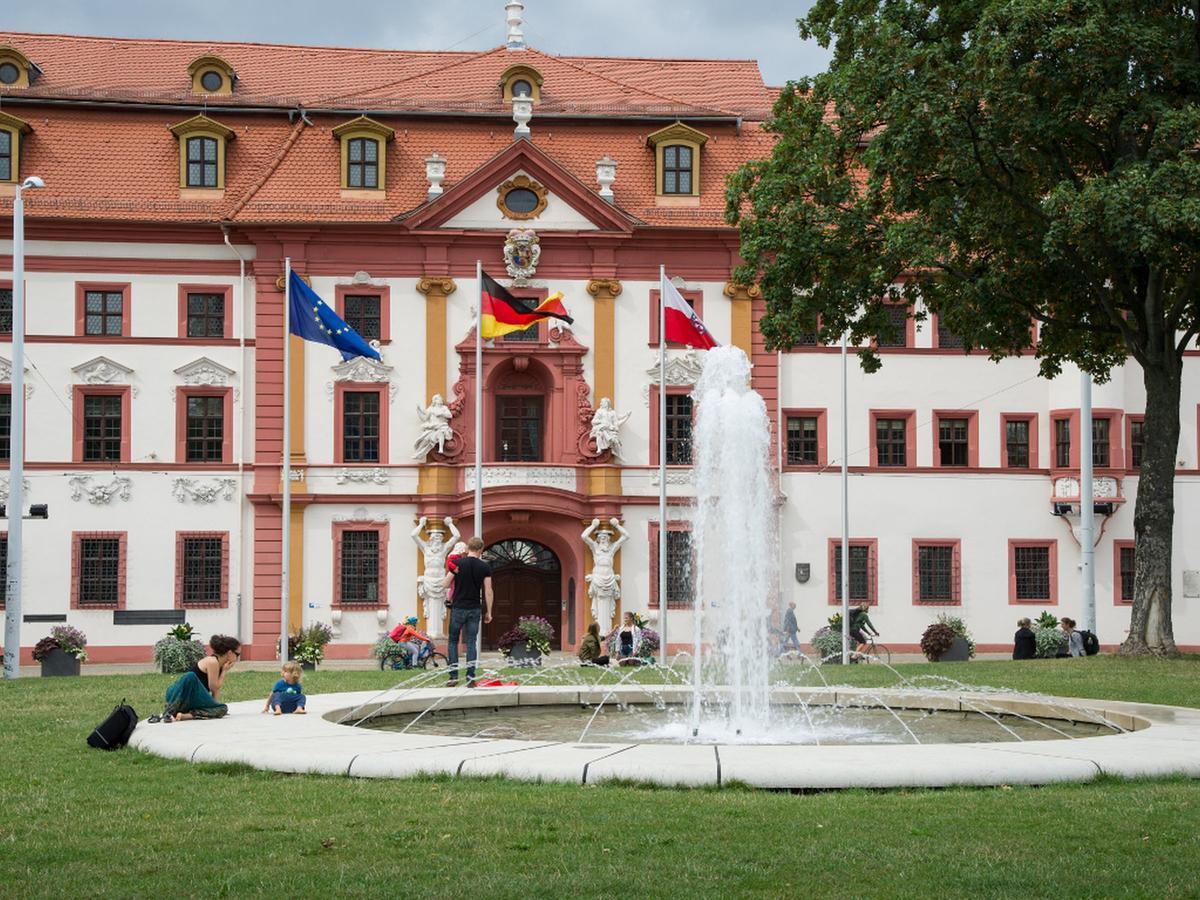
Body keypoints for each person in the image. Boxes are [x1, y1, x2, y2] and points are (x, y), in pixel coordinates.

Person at [441, 536, 493, 687]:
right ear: (480, 549)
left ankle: (453, 677)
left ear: (468, 548)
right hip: (474, 609)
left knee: (452, 641)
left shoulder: (457, 563)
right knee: (471, 643)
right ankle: (470, 678)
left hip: (458, 608)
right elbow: (488, 591)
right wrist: (489, 612)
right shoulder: (484, 567)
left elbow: (445, 583)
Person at [152, 634, 239, 722]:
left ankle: (184, 716)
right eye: (237, 654)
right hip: (181, 694)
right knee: (190, 676)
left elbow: (215, 691)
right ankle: (170, 711)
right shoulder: (212, 662)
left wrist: (214, 707)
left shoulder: (220, 665)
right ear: (230, 653)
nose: (237, 658)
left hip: (193, 699)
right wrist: (224, 672)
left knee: (222, 709)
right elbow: (214, 687)